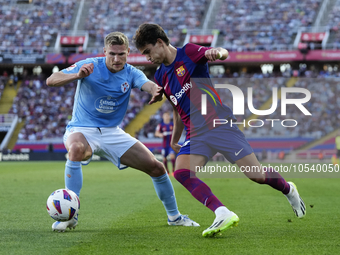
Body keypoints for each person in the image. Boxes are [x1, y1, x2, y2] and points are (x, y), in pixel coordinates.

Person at [133, 24, 306, 237]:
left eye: (147, 52)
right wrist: (175, 138)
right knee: (182, 172)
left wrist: (218, 53)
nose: (147, 58)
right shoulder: (160, 77)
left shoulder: (188, 52)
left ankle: (288, 189)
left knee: (257, 175)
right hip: (195, 133)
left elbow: (219, 52)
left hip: (219, 125)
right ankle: (222, 212)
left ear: (159, 42)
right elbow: (176, 108)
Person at [46, 32, 199, 232]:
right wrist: (77, 75)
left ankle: (175, 217)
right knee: (75, 148)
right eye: (112, 54)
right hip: (82, 128)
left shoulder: (132, 73)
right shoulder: (90, 65)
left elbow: (148, 84)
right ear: (104, 52)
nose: (116, 59)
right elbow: (51, 79)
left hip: (112, 132)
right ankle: (70, 215)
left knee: (157, 168)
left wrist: (154, 90)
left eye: (121, 54)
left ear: (128, 52)